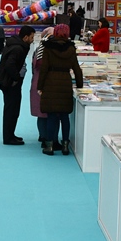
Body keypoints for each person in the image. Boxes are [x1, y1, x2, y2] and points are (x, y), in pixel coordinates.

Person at [38, 23, 83, 156]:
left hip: (50, 82)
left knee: (52, 116)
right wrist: (80, 86)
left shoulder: (48, 47)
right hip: (65, 82)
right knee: (65, 116)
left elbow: (44, 69)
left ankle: (50, 146)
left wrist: (39, 86)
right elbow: (76, 69)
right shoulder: (71, 48)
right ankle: (65, 146)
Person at [0, 24, 35, 145]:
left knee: (12, 109)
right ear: (26, 37)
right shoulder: (18, 49)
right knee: (11, 110)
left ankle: (10, 134)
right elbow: (9, 65)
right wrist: (16, 78)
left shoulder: (16, 45)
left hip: (8, 81)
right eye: (32, 37)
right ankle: (8, 137)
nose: (33, 40)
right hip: (10, 83)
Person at [29, 28, 59, 152]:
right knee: (50, 113)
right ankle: (50, 138)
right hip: (46, 83)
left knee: (41, 113)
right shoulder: (50, 50)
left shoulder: (38, 49)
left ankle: (43, 136)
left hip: (37, 82)